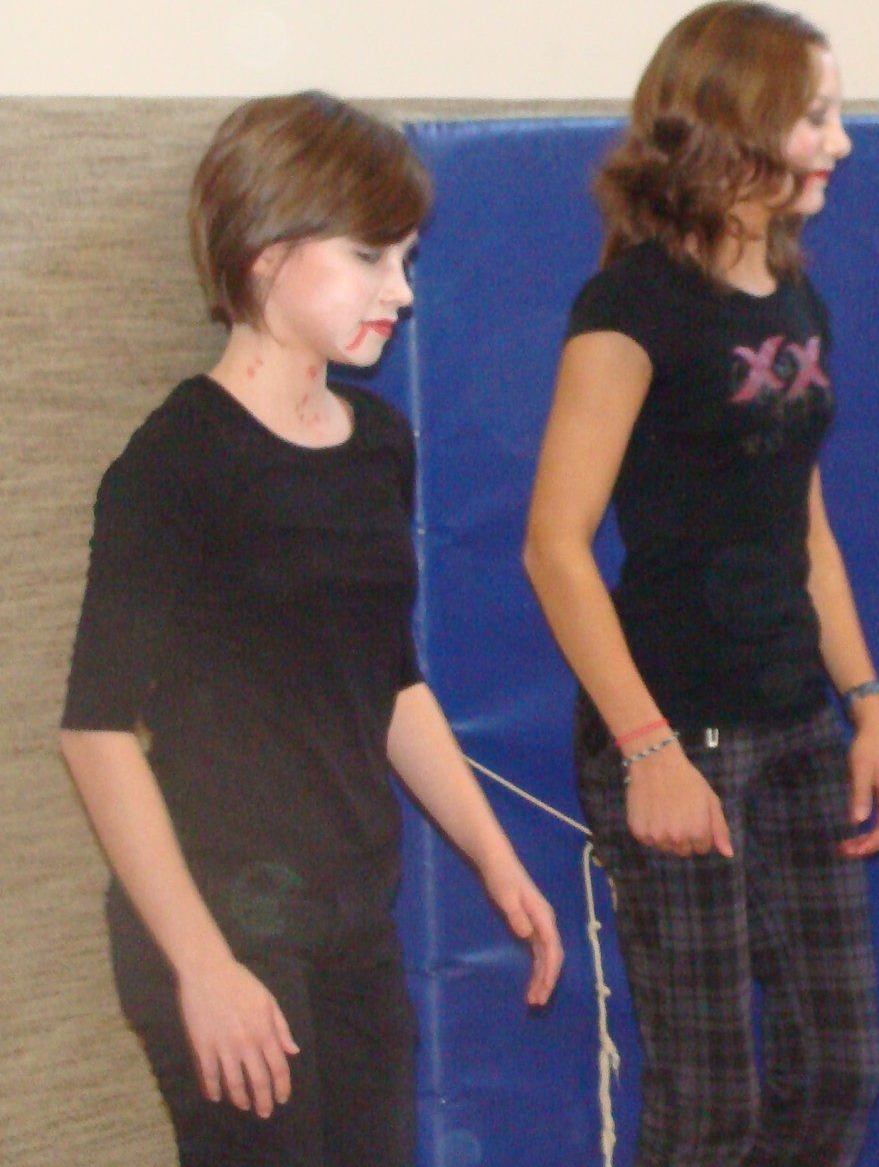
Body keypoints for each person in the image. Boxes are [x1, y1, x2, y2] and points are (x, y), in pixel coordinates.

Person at [60, 92, 563, 1167]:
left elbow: (391, 682)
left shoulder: (378, 442)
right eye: (371, 257)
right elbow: (94, 734)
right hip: (222, 921)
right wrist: (203, 966)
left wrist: (494, 857)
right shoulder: (174, 463)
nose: (402, 291)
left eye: (406, 259)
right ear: (266, 251)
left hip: (351, 920)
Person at [524, 0, 879, 1167]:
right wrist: (647, 749)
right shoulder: (630, 306)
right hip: (675, 728)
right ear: (737, 126)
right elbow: (553, 544)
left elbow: (807, 530)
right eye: (815, 117)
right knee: (708, 1104)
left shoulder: (794, 296)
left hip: (792, 722)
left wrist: (866, 705)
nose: (839, 142)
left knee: (838, 1065)